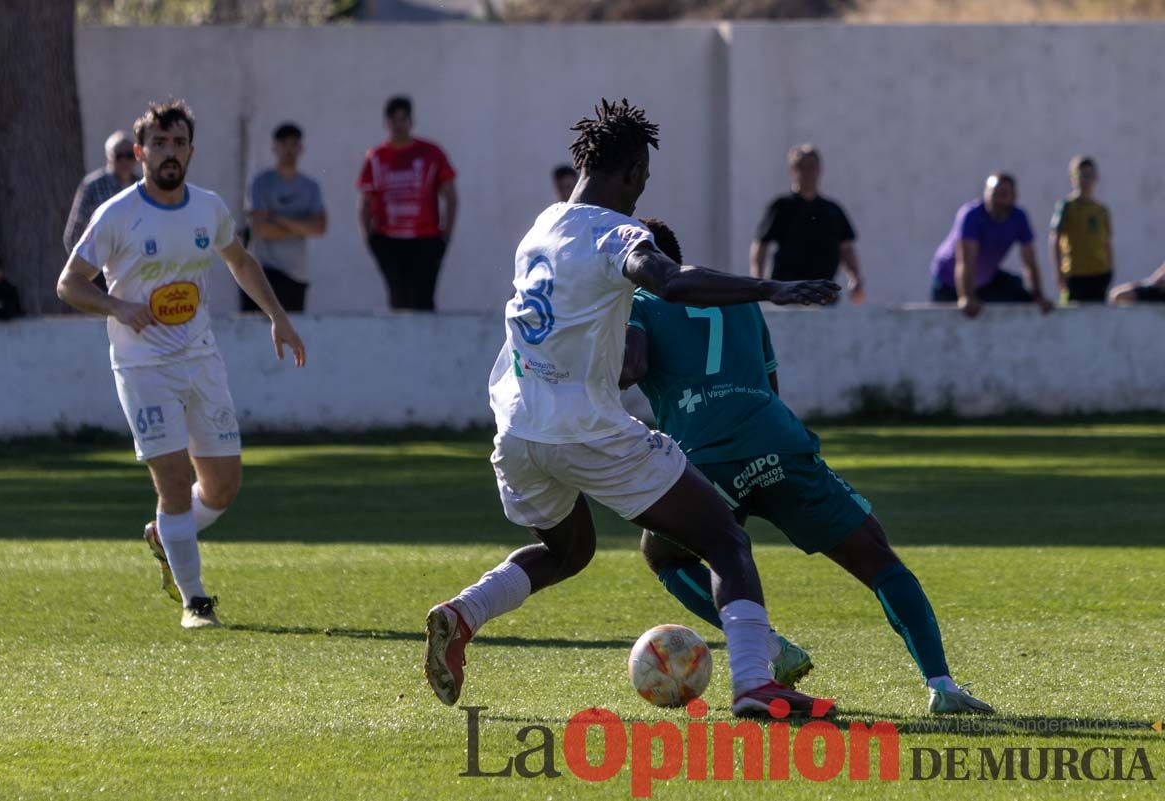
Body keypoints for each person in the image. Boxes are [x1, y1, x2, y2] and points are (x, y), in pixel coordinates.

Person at [423, 99, 841, 719]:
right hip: (584, 428)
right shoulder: (616, 234)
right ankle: (755, 683)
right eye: (641, 180)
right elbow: (668, 280)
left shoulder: (541, 225)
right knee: (725, 541)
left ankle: (463, 613)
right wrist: (769, 287)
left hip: (516, 427)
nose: (640, 192)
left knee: (569, 552)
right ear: (630, 171)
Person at [624, 217, 994, 715]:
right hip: (777, 444)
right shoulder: (739, 299)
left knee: (665, 555)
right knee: (878, 559)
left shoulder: (637, 304)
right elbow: (769, 388)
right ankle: (942, 685)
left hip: (706, 463)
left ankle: (771, 648)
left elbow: (631, 369)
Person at [56, 99, 306, 629]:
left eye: (179, 144)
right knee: (171, 481)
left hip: (201, 361)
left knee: (223, 487)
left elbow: (238, 259)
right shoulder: (118, 213)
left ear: (191, 150)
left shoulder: (208, 208)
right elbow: (69, 283)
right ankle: (196, 602)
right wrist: (118, 305)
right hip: (142, 366)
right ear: (141, 151)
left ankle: (166, 534)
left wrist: (277, 316)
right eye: (160, 144)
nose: (170, 153)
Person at [357, 96, 457, 311]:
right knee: (398, 298)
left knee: (423, 299)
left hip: (426, 238)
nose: (399, 125)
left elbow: (449, 194)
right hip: (389, 239)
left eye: (403, 119)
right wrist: (369, 238)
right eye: (394, 120)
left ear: (411, 121)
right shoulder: (376, 157)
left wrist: (445, 234)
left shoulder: (431, 153)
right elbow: (365, 200)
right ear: (386, 123)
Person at [750, 144, 864, 304]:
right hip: (787, 295)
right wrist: (758, 285)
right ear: (792, 170)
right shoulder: (781, 207)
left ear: (820, 170)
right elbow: (760, 247)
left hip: (824, 295)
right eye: (801, 167)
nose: (807, 173)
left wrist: (855, 277)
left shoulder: (833, 210)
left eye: (812, 167)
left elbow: (846, 248)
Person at [931, 173, 1055, 317]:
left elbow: (1029, 262)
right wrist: (967, 297)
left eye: (1003, 194)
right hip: (949, 282)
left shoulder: (1019, 218)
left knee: (1022, 296)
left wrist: (1038, 296)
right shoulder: (971, 215)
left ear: (1014, 197)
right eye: (992, 193)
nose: (996, 199)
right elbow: (965, 261)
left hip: (985, 279)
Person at [241, 122, 327, 313]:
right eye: (284, 144)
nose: (289, 150)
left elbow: (319, 227)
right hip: (263, 274)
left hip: (296, 275)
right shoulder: (261, 182)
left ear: (300, 148)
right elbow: (261, 229)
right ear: (275, 147)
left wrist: (277, 218)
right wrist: (300, 226)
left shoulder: (310, 187)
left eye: (293, 144)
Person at [64, 131, 140, 253]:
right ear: (109, 156)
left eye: (130, 155)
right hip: (101, 262)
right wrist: (85, 265)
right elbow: (75, 232)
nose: (125, 161)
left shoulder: (142, 186)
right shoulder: (93, 186)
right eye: (119, 156)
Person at [1050, 156, 1113, 303]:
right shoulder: (1066, 206)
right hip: (1074, 275)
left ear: (1096, 178)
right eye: (1081, 175)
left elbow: (1107, 241)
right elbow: (1055, 238)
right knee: (1070, 317)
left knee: (1097, 318)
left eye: (1089, 175)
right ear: (1073, 178)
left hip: (1099, 274)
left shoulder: (1101, 210)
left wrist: (1110, 269)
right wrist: (1058, 272)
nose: (1085, 180)